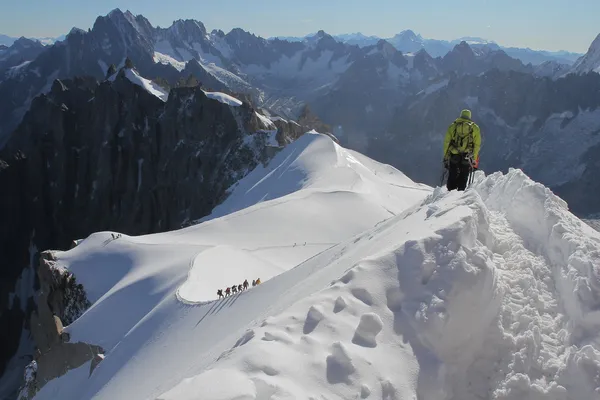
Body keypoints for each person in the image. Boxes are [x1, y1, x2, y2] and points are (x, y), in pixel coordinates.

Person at [443, 109, 481, 191]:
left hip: (454, 155)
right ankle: (460, 192)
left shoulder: (453, 126)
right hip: (467, 156)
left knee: (453, 173)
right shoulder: (475, 128)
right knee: (464, 175)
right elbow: (477, 145)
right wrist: (474, 159)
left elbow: (447, 142)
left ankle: (450, 192)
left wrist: (446, 156)